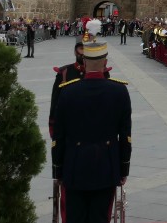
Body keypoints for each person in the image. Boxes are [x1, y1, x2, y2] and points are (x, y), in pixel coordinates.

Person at [53, 39, 130, 223]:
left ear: (84, 62)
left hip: (74, 166)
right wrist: (123, 168)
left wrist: (58, 170)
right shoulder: (119, 91)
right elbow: (125, 136)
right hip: (107, 166)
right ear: (105, 62)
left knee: (75, 218)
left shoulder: (67, 92)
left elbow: (58, 136)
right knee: (100, 217)